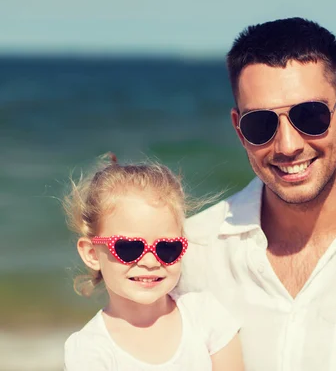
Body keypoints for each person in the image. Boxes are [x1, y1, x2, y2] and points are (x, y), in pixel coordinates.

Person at [174, 17, 336, 371]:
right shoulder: (195, 252)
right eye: (261, 124)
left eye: (310, 116)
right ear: (240, 131)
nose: (287, 145)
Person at [63, 154, 244, 370]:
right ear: (92, 253)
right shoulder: (90, 350)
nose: (150, 261)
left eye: (167, 247)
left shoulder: (205, 316)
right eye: (129, 247)